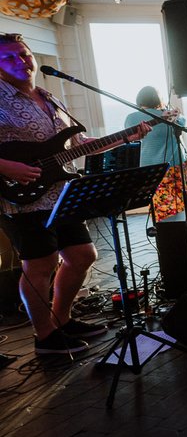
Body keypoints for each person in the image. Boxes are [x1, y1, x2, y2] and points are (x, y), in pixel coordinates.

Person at [0, 33, 149, 355]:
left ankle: (62, 320)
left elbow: (77, 146)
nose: (21, 62)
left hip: (60, 193)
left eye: (24, 55)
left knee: (82, 256)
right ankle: (44, 336)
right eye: (9, 58)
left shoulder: (48, 96)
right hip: (21, 198)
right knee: (40, 265)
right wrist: (7, 167)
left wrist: (126, 137)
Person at [123, 86, 187, 222]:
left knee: (159, 205)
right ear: (157, 99)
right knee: (182, 204)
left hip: (149, 171)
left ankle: (163, 232)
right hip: (174, 167)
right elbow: (182, 122)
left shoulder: (131, 118)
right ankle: (186, 231)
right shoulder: (166, 115)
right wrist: (172, 111)